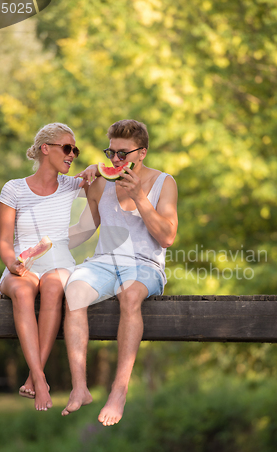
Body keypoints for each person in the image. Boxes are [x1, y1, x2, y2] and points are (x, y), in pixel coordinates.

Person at [62, 119, 178, 425]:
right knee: (73, 290)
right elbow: (86, 228)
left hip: (144, 265)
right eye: (110, 152)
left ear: (142, 153)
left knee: (129, 295)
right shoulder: (103, 179)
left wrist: (139, 197)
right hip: (104, 262)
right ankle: (80, 387)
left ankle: (119, 390)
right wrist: (45, 246)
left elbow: (167, 237)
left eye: (122, 154)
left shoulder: (164, 183)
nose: (115, 160)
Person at [0, 122, 94, 411]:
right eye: (67, 148)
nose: (72, 154)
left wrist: (96, 168)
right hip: (22, 261)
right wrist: (13, 264)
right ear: (45, 148)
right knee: (24, 292)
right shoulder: (13, 188)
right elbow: (4, 241)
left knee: (53, 288)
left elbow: (101, 181)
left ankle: (33, 376)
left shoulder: (72, 184)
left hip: (59, 260)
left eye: (75, 150)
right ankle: (40, 380)